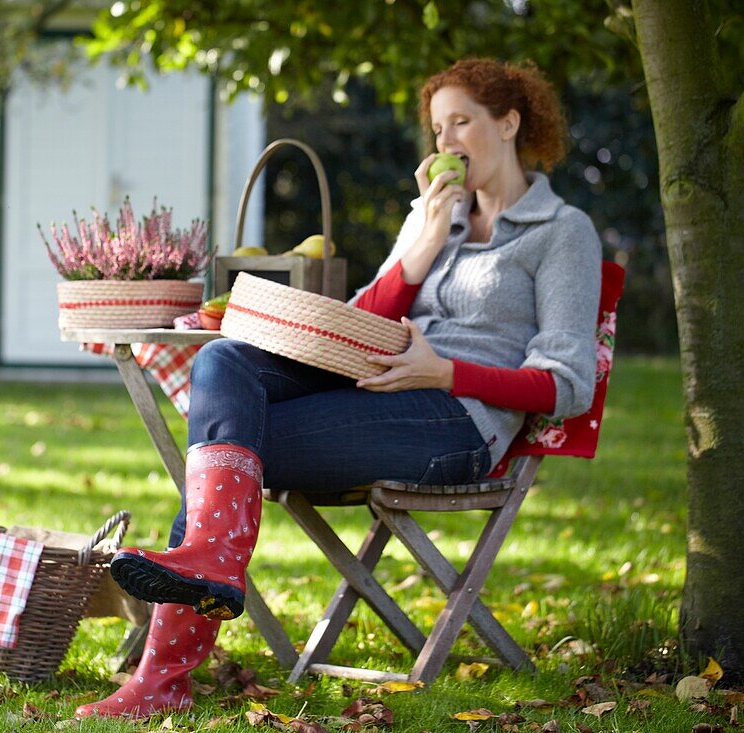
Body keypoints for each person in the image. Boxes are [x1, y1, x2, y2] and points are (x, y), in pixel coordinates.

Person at [76, 57, 602, 719]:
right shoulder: (435, 215)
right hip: (376, 380)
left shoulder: (562, 233)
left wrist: (445, 372)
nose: (446, 144)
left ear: (509, 121)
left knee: (227, 446)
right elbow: (364, 321)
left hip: (458, 422)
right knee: (224, 364)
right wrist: (420, 248)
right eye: (438, 130)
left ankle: (163, 674)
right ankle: (206, 572)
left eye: (461, 122)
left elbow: (568, 384)